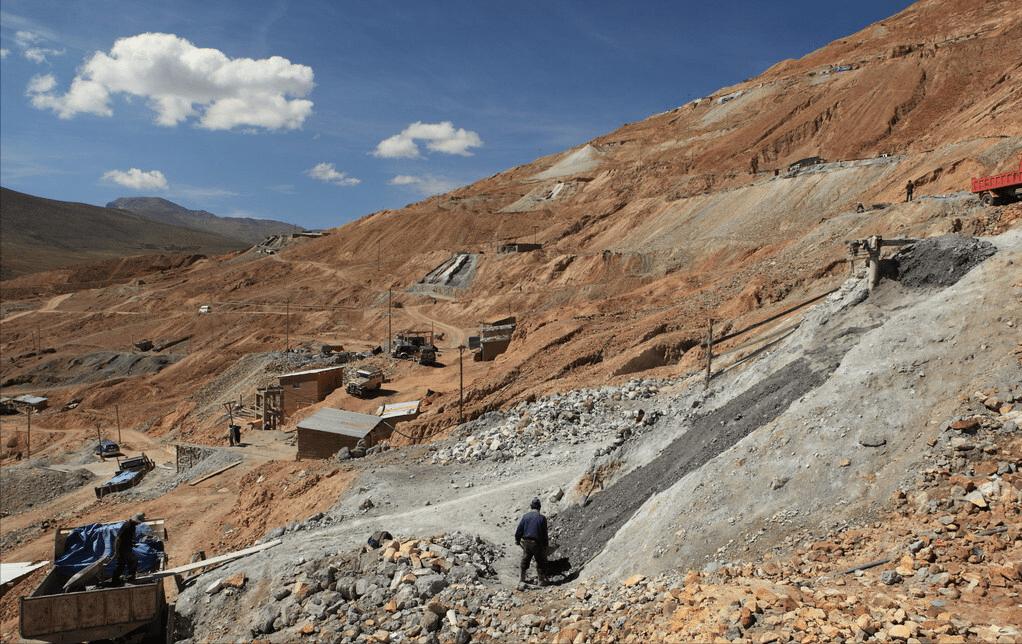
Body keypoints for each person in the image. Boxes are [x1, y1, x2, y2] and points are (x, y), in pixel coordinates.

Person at [514, 498, 549, 584]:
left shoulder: (525, 517)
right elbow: (544, 534)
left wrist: (517, 540)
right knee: (540, 561)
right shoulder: (542, 518)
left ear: (531, 507)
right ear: (539, 507)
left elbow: (519, 530)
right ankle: (541, 580)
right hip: (537, 543)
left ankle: (522, 579)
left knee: (525, 559)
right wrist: (545, 546)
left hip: (526, 542)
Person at [111, 513, 144, 585]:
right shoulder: (127, 526)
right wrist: (116, 552)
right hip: (122, 549)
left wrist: (132, 543)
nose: (139, 524)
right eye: (138, 522)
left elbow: (126, 538)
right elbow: (118, 539)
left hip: (126, 548)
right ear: (135, 521)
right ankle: (122, 579)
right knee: (131, 561)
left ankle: (120, 579)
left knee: (123, 564)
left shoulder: (132, 526)